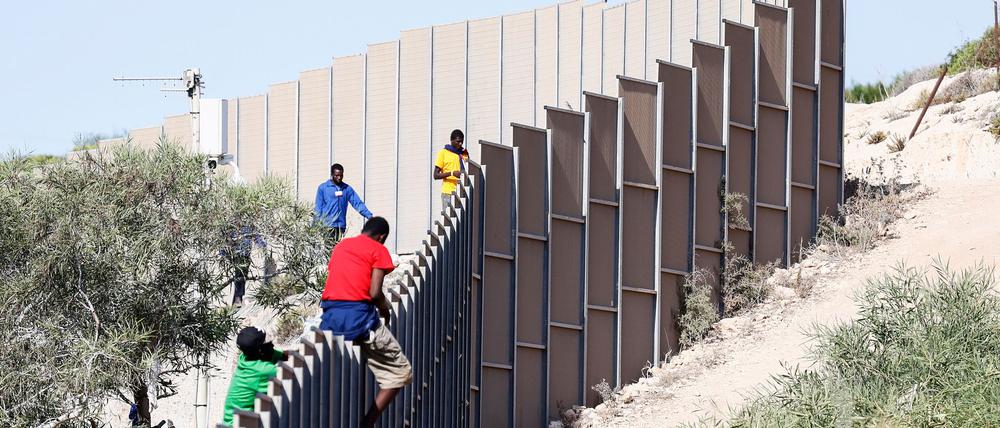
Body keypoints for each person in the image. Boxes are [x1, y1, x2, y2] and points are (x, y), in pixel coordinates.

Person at [319, 216, 412, 428]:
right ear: (382, 237)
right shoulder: (377, 249)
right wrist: (385, 309)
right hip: (358, 318)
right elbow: (374, 292)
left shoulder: (342, 246)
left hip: (330, 316)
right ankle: (367, 423)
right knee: (400, 373)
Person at [220, 326, 288, 426]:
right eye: (268, 344)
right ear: (260, 351)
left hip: (230, 423)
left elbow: (282, 355)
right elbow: (293, 375)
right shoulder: (264, 371)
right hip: (240, 425)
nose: (272, 345)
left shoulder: (244, 358)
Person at [314, 163, 373, 244]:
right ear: (332, 175)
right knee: (330, 249)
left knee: (337, 249)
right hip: (327, 225)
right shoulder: (323, 188)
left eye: (341, 175)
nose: (339, 178)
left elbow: (357, 203)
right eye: (337, 175)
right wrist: (314, 225)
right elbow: (318, 207)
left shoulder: (347, 189)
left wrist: (369, 216)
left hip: (340, 226)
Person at [433, 129, 469, 212]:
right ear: (452, 140)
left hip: (462, 192)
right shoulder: (443, 153)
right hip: (448, 192)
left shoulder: (464, 152)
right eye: (458, 141)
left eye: (462, 142)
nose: (460, 144)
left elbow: (468, 168)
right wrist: (452, 173)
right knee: (449, 222)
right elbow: (435, 175)